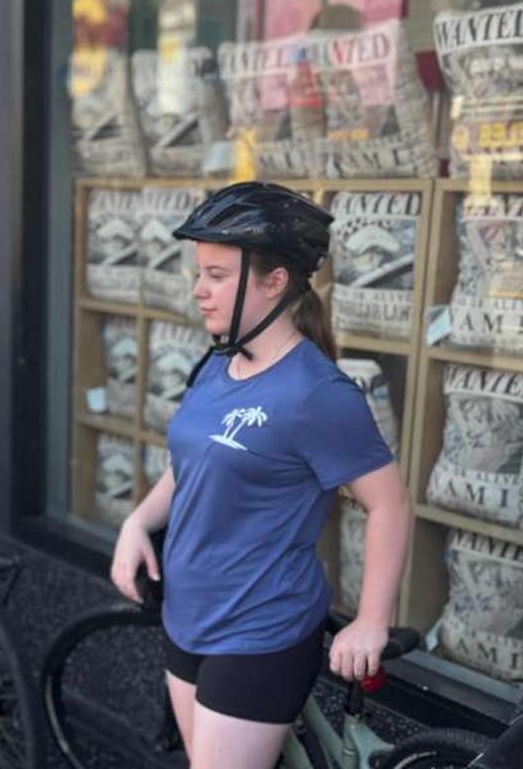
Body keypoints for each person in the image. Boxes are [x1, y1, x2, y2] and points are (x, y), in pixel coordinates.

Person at [109, 182, 408, 769]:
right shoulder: (218, 363)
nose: (199, 289)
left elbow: (390, 505)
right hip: (186, 616)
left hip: (257, 630)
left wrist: (372, 621)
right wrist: (137, 522)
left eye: (217, 275)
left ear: (275, 281)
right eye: (200, 272)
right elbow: (189, 464)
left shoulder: (316, 394)